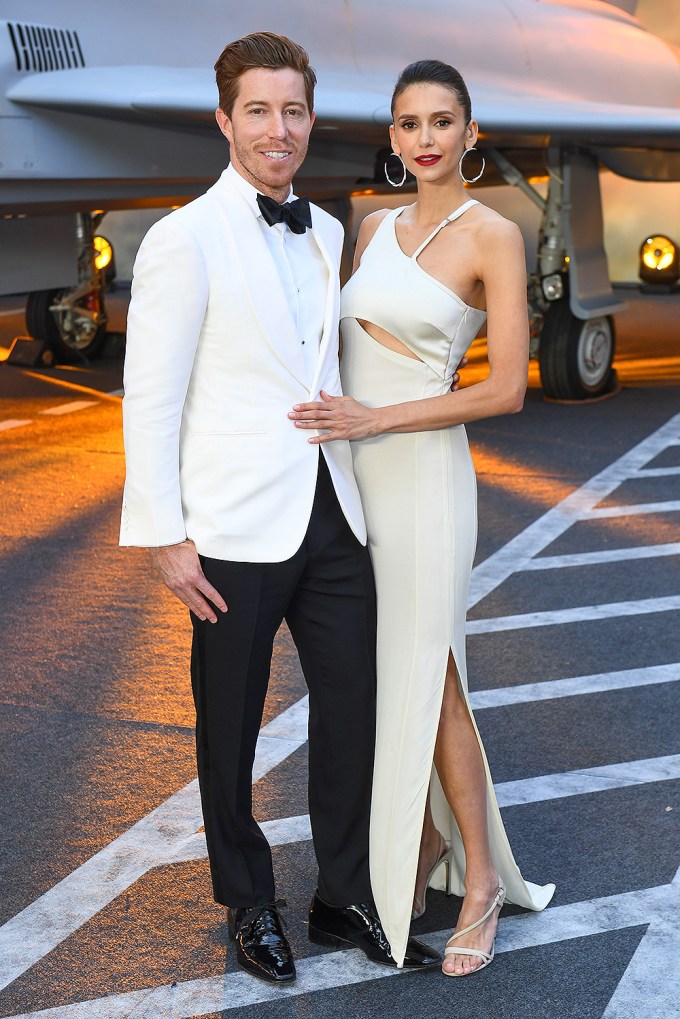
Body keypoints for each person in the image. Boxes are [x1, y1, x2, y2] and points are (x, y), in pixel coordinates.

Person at [120, 33, 440, 984]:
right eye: (258, 110)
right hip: (229, 526)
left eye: (293, 110)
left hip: (330, 511)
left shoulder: (330, 229)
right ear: (225, 120)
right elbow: (152, 395)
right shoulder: (183, 237)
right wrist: (165, 535)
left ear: (310, 119)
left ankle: (342, 895)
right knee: (230, 724)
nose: (278, 129)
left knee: (355, 708)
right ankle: (248, 900)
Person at [289, 59, 556, 977]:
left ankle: (480, 879)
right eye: (409, 123)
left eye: (444, 121)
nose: (426, 138)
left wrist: (377, 419)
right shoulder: (369, 226)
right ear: (393, 137)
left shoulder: (495, 234)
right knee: (378, 672)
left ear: (471, 134)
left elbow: (508, 389)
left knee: (435, 676)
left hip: (426, 475)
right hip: (356, 477)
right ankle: (426, 847)